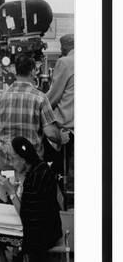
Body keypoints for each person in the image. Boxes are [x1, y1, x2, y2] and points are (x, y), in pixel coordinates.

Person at [0, 54, 61, 202]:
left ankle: (3, 195)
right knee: (29, 190)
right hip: (30, 158)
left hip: (6, 154)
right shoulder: (40, 97)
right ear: (33, 72)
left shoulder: (2, 97)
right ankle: (21, 200)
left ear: (15, 71)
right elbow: (51, 133)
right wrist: (60, 139)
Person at [46, 34, 75, 198]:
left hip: (67, 126)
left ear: (64, 48)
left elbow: (54, 95)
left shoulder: (65, 62)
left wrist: (38, 104)